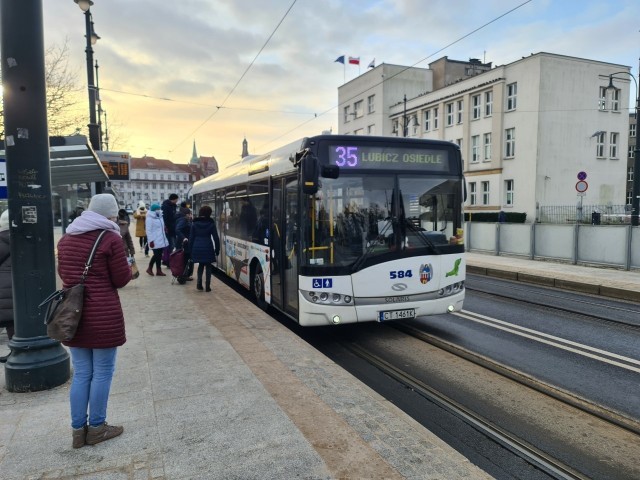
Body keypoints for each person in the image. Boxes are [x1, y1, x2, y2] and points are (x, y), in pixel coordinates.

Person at [57, 193, 131, 448]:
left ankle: (79, 432)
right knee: (102, 372)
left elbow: (64, 274)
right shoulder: (110, 238)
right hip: (102, 315)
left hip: (72, 316)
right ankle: (97, 428)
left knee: (81, 373)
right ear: (110, 214)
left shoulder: (66, 238)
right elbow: (121, 279)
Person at [189, 205, 220, 292]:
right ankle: (208, 286)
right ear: (209, 214)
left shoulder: (194, 223)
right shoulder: (211, 223)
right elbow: (216, 238)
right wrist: (217, 249)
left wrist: (190, 250)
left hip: (196, 246)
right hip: (208, 246)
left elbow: (191, 238)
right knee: (208, 266)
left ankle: (199, 284)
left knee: (201, 265)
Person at [0, 209, 14, 363]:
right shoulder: (21, 239)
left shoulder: (1, 239)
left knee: (10, 322)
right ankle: (15, 352)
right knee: (13, 323)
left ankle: (14, 352)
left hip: (3, 288)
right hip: (13, 288)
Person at [145, 203, 169, 276]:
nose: (159, 210)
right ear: (154, 210)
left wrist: (164, 228)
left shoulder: (160, 216)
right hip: (154, 239)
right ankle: (150, 268)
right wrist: (151, 240)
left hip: (161, 238)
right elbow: (148, 230)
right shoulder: (149, 218)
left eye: (159, 209)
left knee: (159, 255)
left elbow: (161, 225)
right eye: (157, 209)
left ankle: (158, 270)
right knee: (156, 255)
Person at [176, 208, 194, 280]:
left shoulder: (184, 220)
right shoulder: (183, 220)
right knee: (186, 259)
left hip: (184, 243)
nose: (191, 215)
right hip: (185, 243)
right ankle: (184, 275)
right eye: (190, 214)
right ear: (187, 214)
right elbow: (177, 229)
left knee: (186, 259)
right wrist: (184, 238)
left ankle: (185, 274)